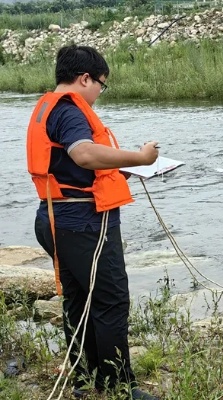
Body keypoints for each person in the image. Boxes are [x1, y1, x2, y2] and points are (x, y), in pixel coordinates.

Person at [26, 45, 160, 399]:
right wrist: (142, 158)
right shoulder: (71, 111)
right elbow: (83, 154)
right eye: (101, 84)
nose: (100, 92)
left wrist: (120, 173)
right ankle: (119, 386)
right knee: (111, 300)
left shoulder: (46, 107)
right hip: (84, 221)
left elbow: (69, 168)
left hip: (55, 214)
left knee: (78, 300)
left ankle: (86, 382)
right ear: (84, 78)